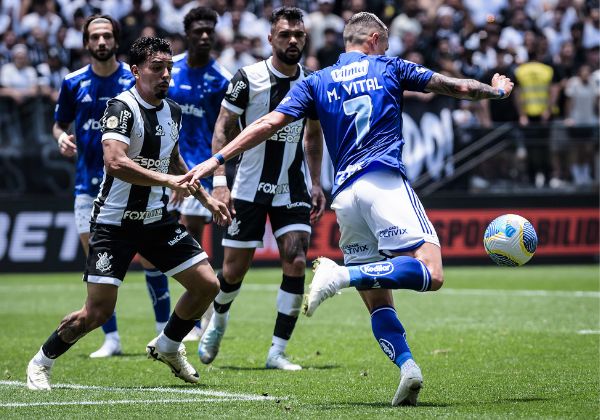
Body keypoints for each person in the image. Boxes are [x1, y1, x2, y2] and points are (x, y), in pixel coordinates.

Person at [183, 12, 513, 405]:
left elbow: (267, 124)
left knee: (377, 297)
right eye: (385, 44)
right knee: (432, 271)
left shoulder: (317, 80)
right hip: (383, 180)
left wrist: (216, 161)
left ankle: (409, 369)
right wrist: (494, 90)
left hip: (346, 197)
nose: (386, 50)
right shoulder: (389, 66)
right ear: (374, 39)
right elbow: (453, 86)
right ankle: (341, 276)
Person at [26, 36, 231, 391]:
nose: (165, 74)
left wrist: (206, 198)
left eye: (168, 68)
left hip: (156, 220)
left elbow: (173, 160)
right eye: (156, 68)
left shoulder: (173, 111)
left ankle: (167, 344)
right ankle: (41, 362)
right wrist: (169, 179)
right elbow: (115, 162)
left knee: (207, 285)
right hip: (113, 224)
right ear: (136, 71)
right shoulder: (121, 107)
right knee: (97, 313)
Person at [197, 7, 326, 371]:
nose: (292, 41)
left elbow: (313, 136)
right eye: (285, 34)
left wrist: (317, 182)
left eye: (298, 35)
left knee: (297, 259)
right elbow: (222, 128)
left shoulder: (312, 83)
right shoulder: (247, 77)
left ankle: (277, 352)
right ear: (270, 38)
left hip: (292, 186)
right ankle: (218, 321)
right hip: (248, 186)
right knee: (234, 271)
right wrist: (220, 182)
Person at [52, 15, 176, 359]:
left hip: (129, 186)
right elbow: (58, 124)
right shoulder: (73, 82)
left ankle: (163, 330)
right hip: (86, 186)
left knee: (152, 260)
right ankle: (112, 339)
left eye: (107, 35)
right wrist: (62, 137)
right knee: (98, 266)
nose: (102, 41)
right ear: (86, 42)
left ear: (116, 40)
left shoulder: (136, 78)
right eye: (96, 36)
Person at [167, 6, 232, 341]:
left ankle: (195, 314)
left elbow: (224, 131)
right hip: (163, 168)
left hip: (198, 172)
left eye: (210, 30)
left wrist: (217, 177)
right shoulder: (169, 70)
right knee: (160, 245)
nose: (205, 36)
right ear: (187, 34)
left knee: (187, 237)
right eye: (198, 31)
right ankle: (192, 311)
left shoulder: (222, 78)